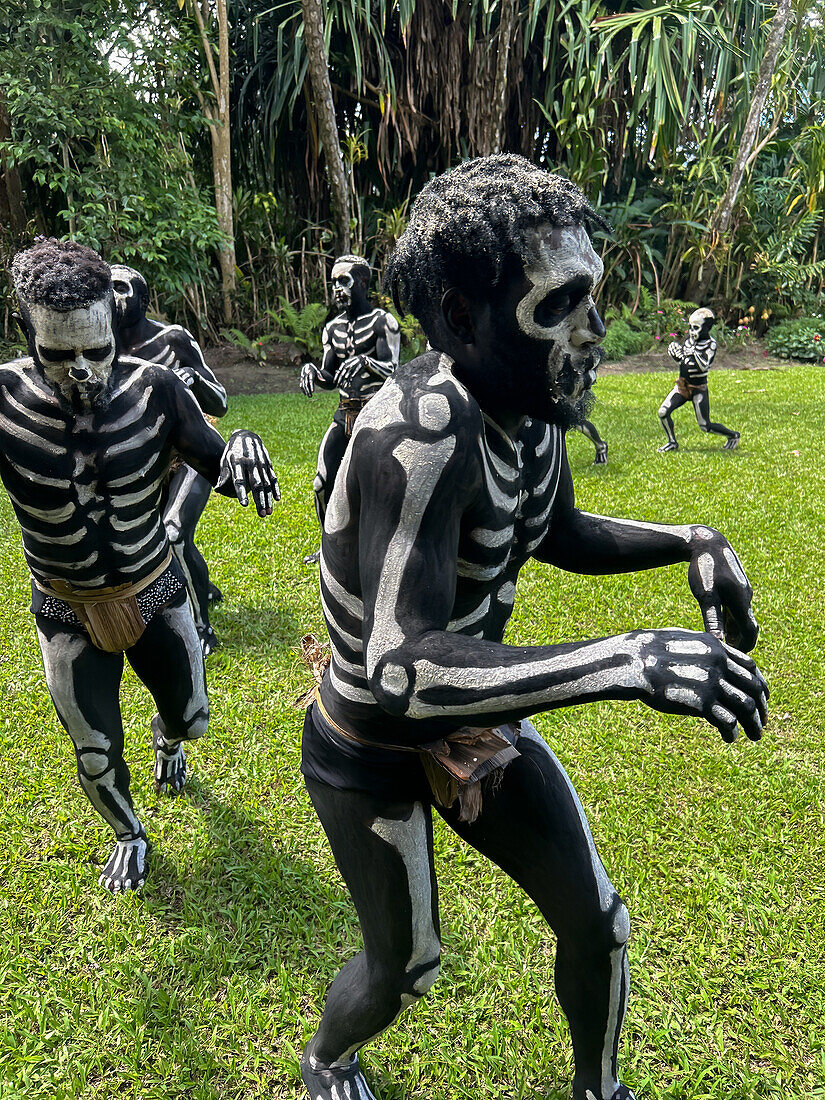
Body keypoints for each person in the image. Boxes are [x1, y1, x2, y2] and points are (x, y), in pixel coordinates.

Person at [298, 156, 767, 1100]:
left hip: (474, 719)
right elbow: (398, 670)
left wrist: (689, 540)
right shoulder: (418, 432)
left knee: (597, 923)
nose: (593, 331)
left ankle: (601, 1092)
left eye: (590, 296)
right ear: (460, 320)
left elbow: (556, 531)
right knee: (404, 968)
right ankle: (325, 1057)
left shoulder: (531, 403)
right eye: (559, 307)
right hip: (372, 742)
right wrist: (623, 657)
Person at [0, 238, 279, 893]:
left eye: (98, 350)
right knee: (94, 753)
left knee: (193, 717)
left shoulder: (156, 390)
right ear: (26, 332)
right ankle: (129, 834)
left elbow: (221, 466)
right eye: (60, 354)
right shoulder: (4, 403)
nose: (83, 371)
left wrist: (241, 446)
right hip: (64, 607)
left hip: (155, 589)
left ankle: (170, 739)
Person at [110, 263, 227, 655]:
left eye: (123, 289)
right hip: (144, 459)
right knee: (153, 537)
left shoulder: (173, 339)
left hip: (189, 451)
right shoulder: (104, 348)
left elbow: (221, 402)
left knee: (174, 534)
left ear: (143, 300)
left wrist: (192, 383)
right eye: (108, 288)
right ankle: (198, 586)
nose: (115, 296)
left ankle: (200, 627)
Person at [300, 254, 400, 563]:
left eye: (343, 281)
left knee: (379, 485)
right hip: (345, 413)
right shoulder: (332, 329)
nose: (337, 289)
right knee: (321, 482)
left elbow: (394, 369)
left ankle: (385, 546)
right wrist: (314, 372)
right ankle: (328, 544)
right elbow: (331, 378)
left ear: (363, 283)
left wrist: (365, 361)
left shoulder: (384, 322)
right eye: (333, 283)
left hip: (377, 413)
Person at [657, 308, 740, 452]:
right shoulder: (689, 342)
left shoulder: (710, 344)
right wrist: (676, 354)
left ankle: (733, 435)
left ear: (706, 328)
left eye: (695, 328)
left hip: (698, 389)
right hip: (682, 386)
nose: (691, 332)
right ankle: (672, 441)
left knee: (704, 425)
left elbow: (704, 365)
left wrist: (693, 353)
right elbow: (684, 361)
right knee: (663, 412)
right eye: (690, 327)